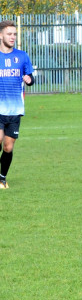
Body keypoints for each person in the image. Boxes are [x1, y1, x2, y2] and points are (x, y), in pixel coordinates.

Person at [0, 20, 34, 189]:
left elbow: (30, 78)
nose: (12, 37)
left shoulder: (22, 56)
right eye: (9, 34)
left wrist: (29, 79)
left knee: (8, 146)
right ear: (1, 35)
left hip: (15, 110)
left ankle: (2, 178)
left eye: (14, 34)